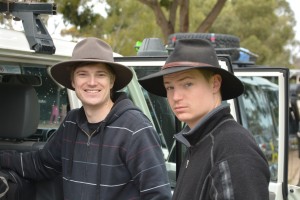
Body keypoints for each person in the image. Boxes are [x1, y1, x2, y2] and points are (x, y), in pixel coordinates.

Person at [0, 37, 172, 199]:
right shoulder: (71, 123)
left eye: (100, 74)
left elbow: (157, 195)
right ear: (73, 82)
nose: (91, 82)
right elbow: (41, 165)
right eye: (82, 74)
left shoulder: (136, 128)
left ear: (111, 81)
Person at [139, 39, 270, 200]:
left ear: (215, 84)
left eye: (187, 84)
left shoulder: (233, 147)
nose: (176, 97)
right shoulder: (199, 141)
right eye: (169, 87)